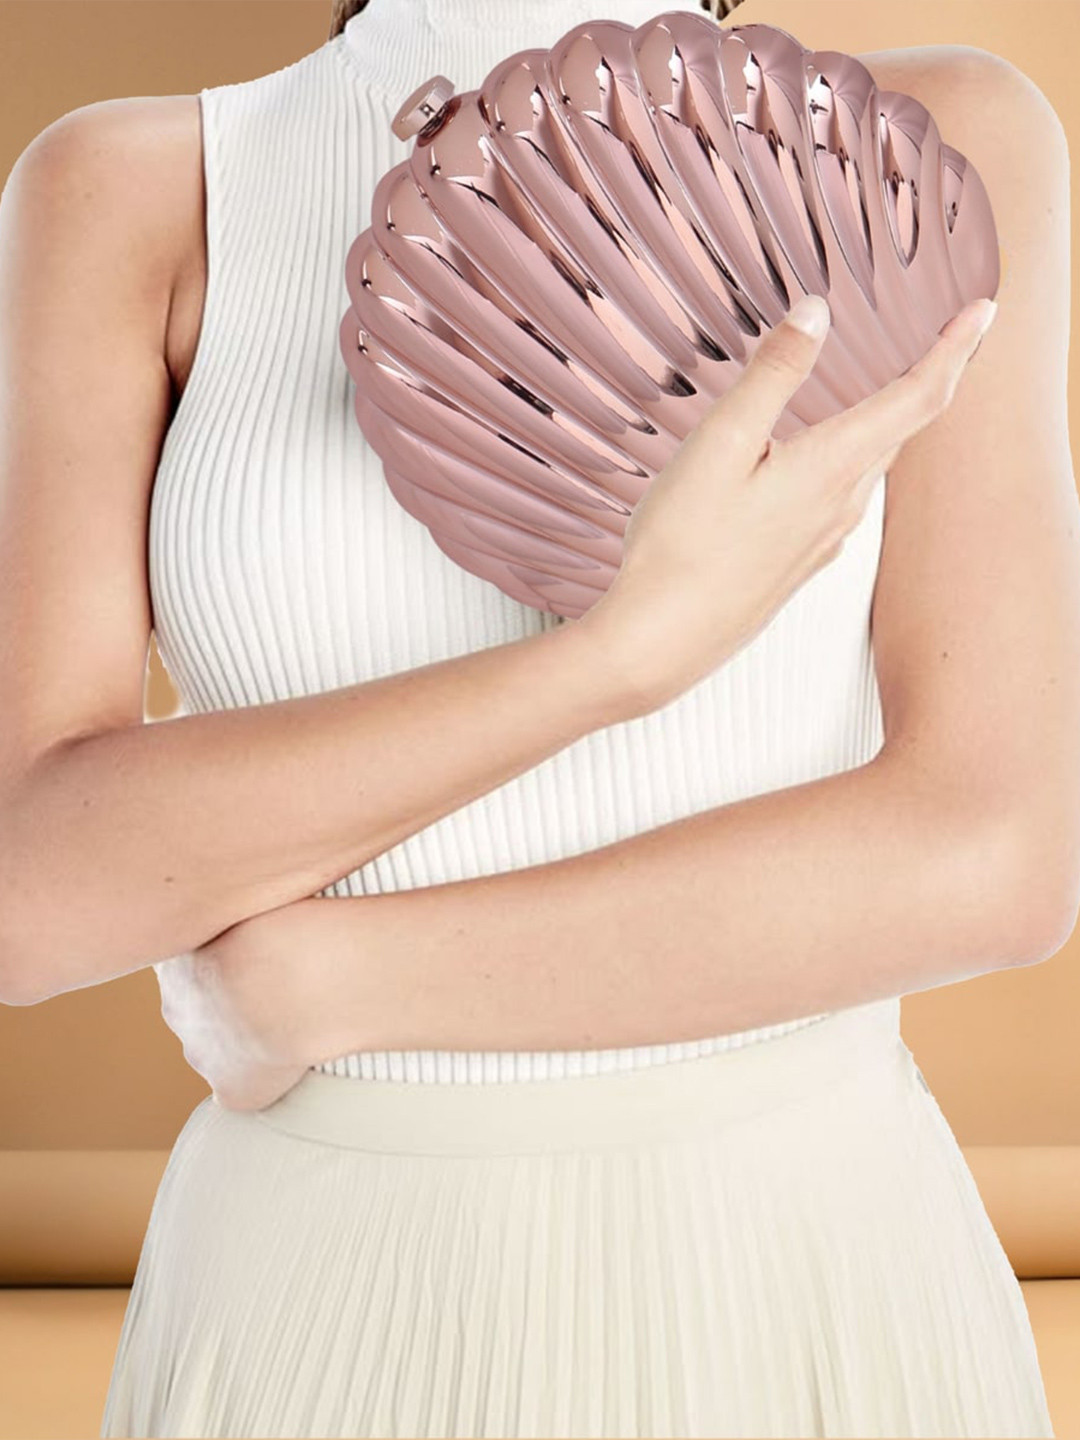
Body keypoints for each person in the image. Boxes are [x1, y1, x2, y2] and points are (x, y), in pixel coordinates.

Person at [0, 0, 1072, 1434]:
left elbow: (993, 857)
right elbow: (32, 889)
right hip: (318, 1300)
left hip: (801, 1264)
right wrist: (614, 662)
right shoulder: (134, 188)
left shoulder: (918, 143)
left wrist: (332, 982)